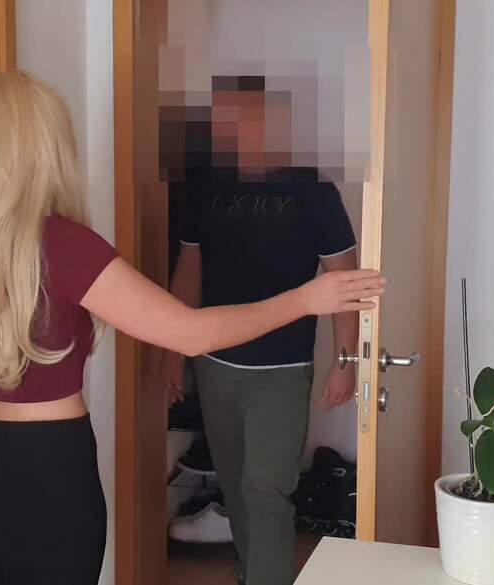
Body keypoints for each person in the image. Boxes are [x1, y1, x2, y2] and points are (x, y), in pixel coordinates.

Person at [0, 70, 383, 585]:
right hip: (45, 477)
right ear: (47, 149)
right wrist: (305, 299)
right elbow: (191, 333)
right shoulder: (66, 245)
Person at [159, 75, 360, 585]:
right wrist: (172, 352)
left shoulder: (313, 192)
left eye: (249, 116)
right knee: (235, 485)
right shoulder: (204, 187)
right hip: (214, 362)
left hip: (283, 369)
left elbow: (343, 281)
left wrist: (346, 360)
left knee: (266, 486)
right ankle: (251, 571)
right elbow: (189, 272)